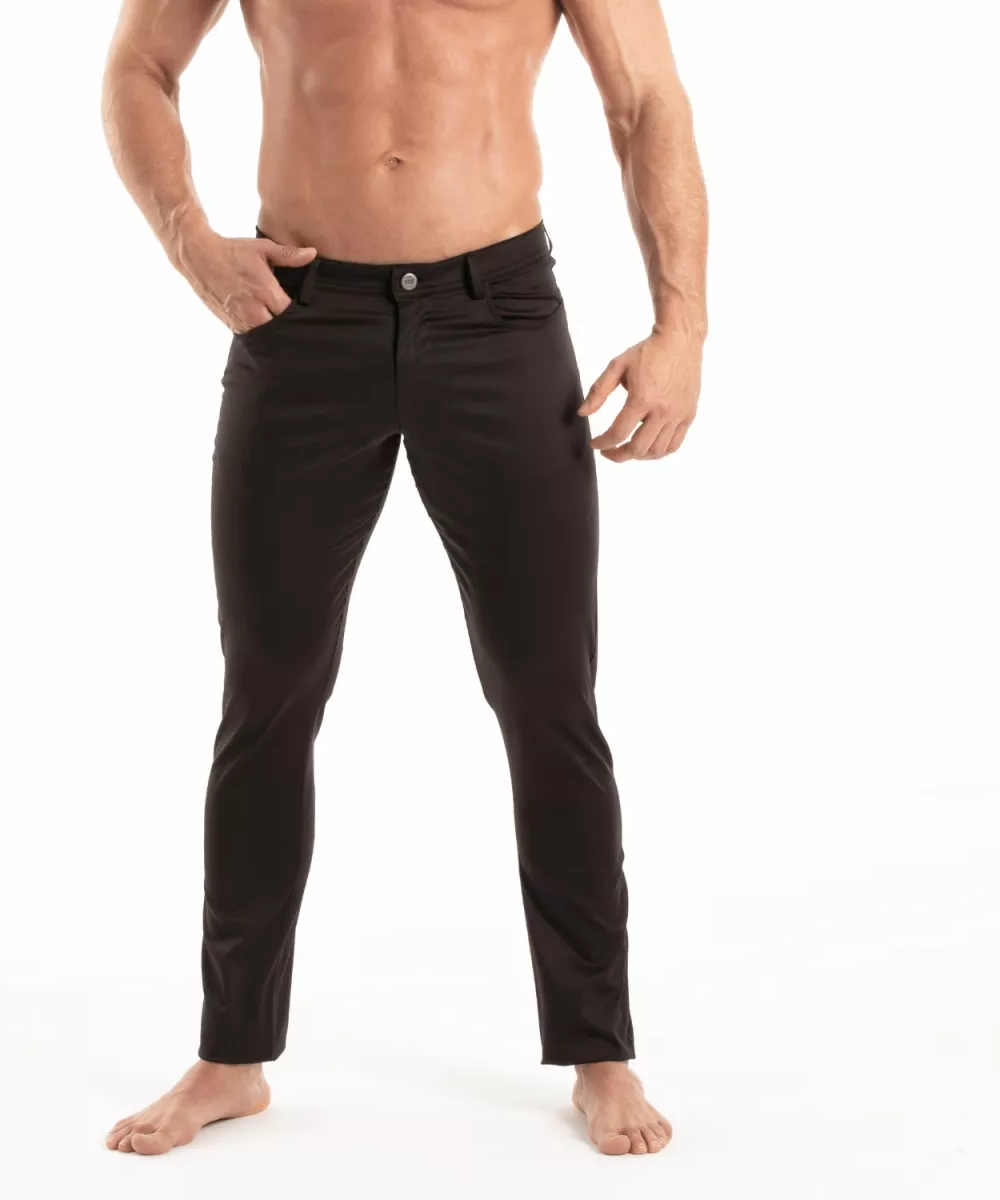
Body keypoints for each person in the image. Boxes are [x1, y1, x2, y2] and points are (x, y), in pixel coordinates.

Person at [100, 0, 706, 1159]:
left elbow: (644, 101)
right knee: (267, 698)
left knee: (549, 698)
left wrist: (683, 326)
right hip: (298, 313)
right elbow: (139, 63)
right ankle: (231, 1055)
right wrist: (190, 239)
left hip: (498, 317)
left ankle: (600, 1050)